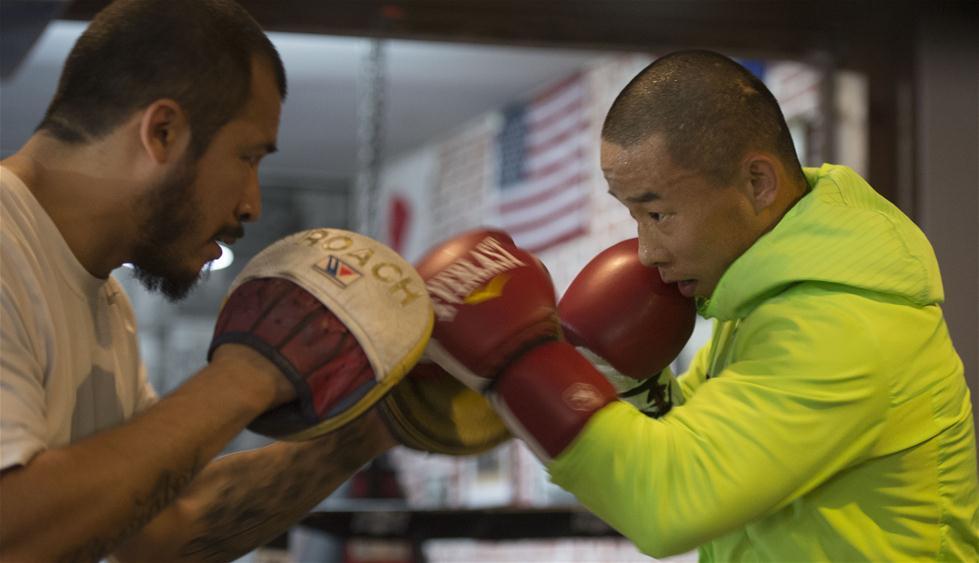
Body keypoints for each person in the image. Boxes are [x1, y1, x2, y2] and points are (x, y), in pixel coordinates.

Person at [416, 50, 979, 560]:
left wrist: (522, 362)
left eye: (658, 213)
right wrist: (628, 384)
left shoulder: (841, 327)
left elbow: (668, 502)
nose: (646, 250)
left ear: (758, 183)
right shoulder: (764, 308)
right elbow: (693, 441)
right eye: (634, 216)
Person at [0, 2, 441, 561]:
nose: (251, 203)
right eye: (247, 156)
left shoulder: (104, 304)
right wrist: (248, 376)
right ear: (162, 132)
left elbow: (161, 530)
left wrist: (379, 423)